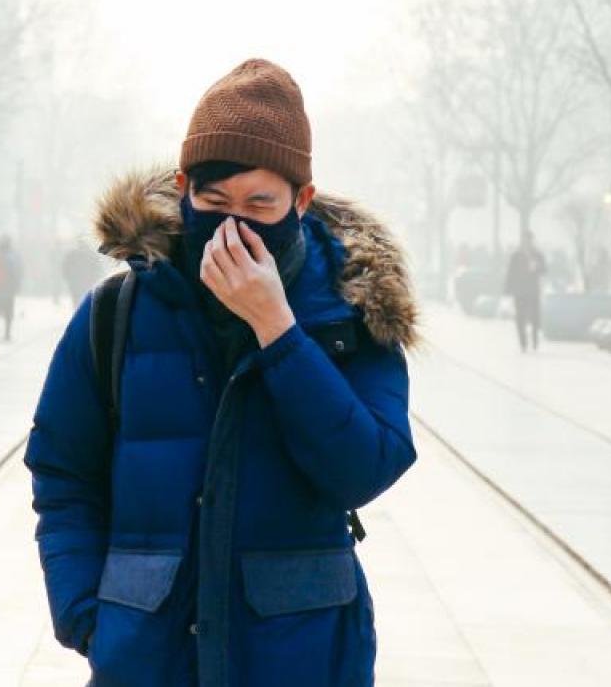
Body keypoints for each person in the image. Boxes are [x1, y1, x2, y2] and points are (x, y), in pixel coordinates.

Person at [24, 59, 416, 686]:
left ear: (301, 200)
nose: (234, 223)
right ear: (184, 188)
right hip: (146, 659)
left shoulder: (354, 312)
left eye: (260, 203)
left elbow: (365, 470)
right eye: (214, 200)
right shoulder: (116, 314)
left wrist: (279, 333)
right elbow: (62, 471)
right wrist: (87, 618)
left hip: (302, 659)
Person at [503, 230, 547, 352]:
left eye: (528, 240)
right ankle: (523, 342)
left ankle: (534, 339)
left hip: (533, 290)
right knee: (520, 317)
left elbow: (544, 270)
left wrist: (537, 267)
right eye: (524, 240)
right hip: (520, 291)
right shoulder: (515, 255)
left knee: (535, 317)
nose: (526, 242)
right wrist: (508, 289)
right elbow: (510, 273)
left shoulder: (538, 255)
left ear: (532, 241)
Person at [0, 236, 23, 340]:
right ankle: (7, 332)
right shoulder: (13, 257)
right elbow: (17, 271)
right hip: (9, 287)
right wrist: (17, 284)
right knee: (8, 310)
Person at [61, 242, 100, 308]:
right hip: (88, 279)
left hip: (75, 279)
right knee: (87, 295)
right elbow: (97, 267)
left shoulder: (72, 254)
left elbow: (66, 266)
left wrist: (67, 277)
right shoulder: (91, 254)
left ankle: (77, 308)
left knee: (76, 296)